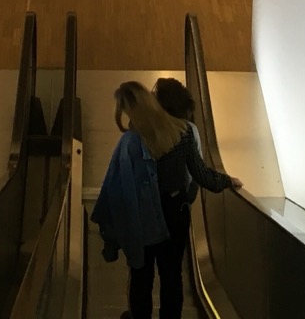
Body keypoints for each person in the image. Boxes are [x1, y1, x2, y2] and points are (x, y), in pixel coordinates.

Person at [92, 82, 239, 319]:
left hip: (142, 216)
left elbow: (115, 188)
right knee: (172, 276)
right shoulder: (183, 132)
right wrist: (226, 181)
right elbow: (200, 174)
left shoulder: (132, 141)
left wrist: (112, 231)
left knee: (141, 275)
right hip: (175, 212)